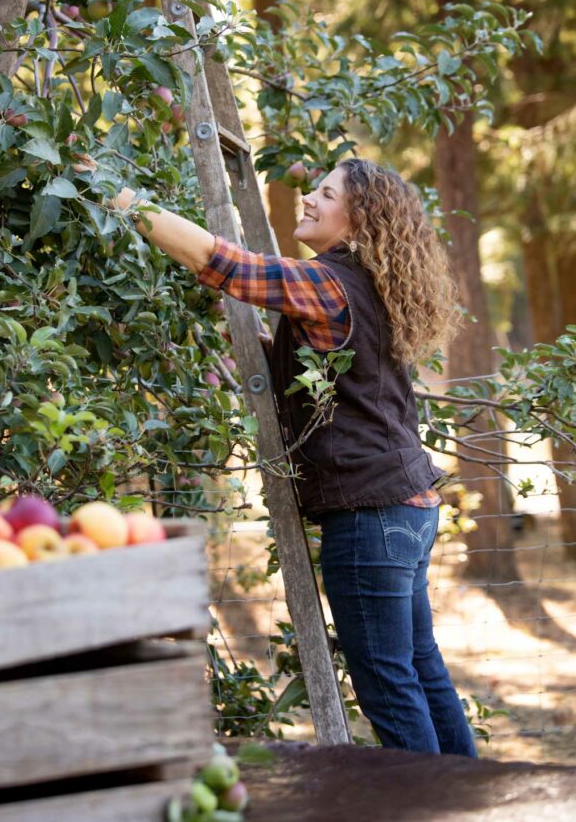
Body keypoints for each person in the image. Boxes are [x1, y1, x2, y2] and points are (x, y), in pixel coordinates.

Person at [103, 155, 477, 757]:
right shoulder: (367, 284)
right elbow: (347, 372)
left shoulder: (327, 281)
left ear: (358, 219)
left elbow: (218, 262)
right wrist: (263, 352)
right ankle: (470, 799)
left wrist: (119, 199)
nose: (308, 198)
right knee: (418, 670)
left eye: (325, 195)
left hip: (371, 511)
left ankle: (426, 805)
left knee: (388, 685)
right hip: (406, 504)